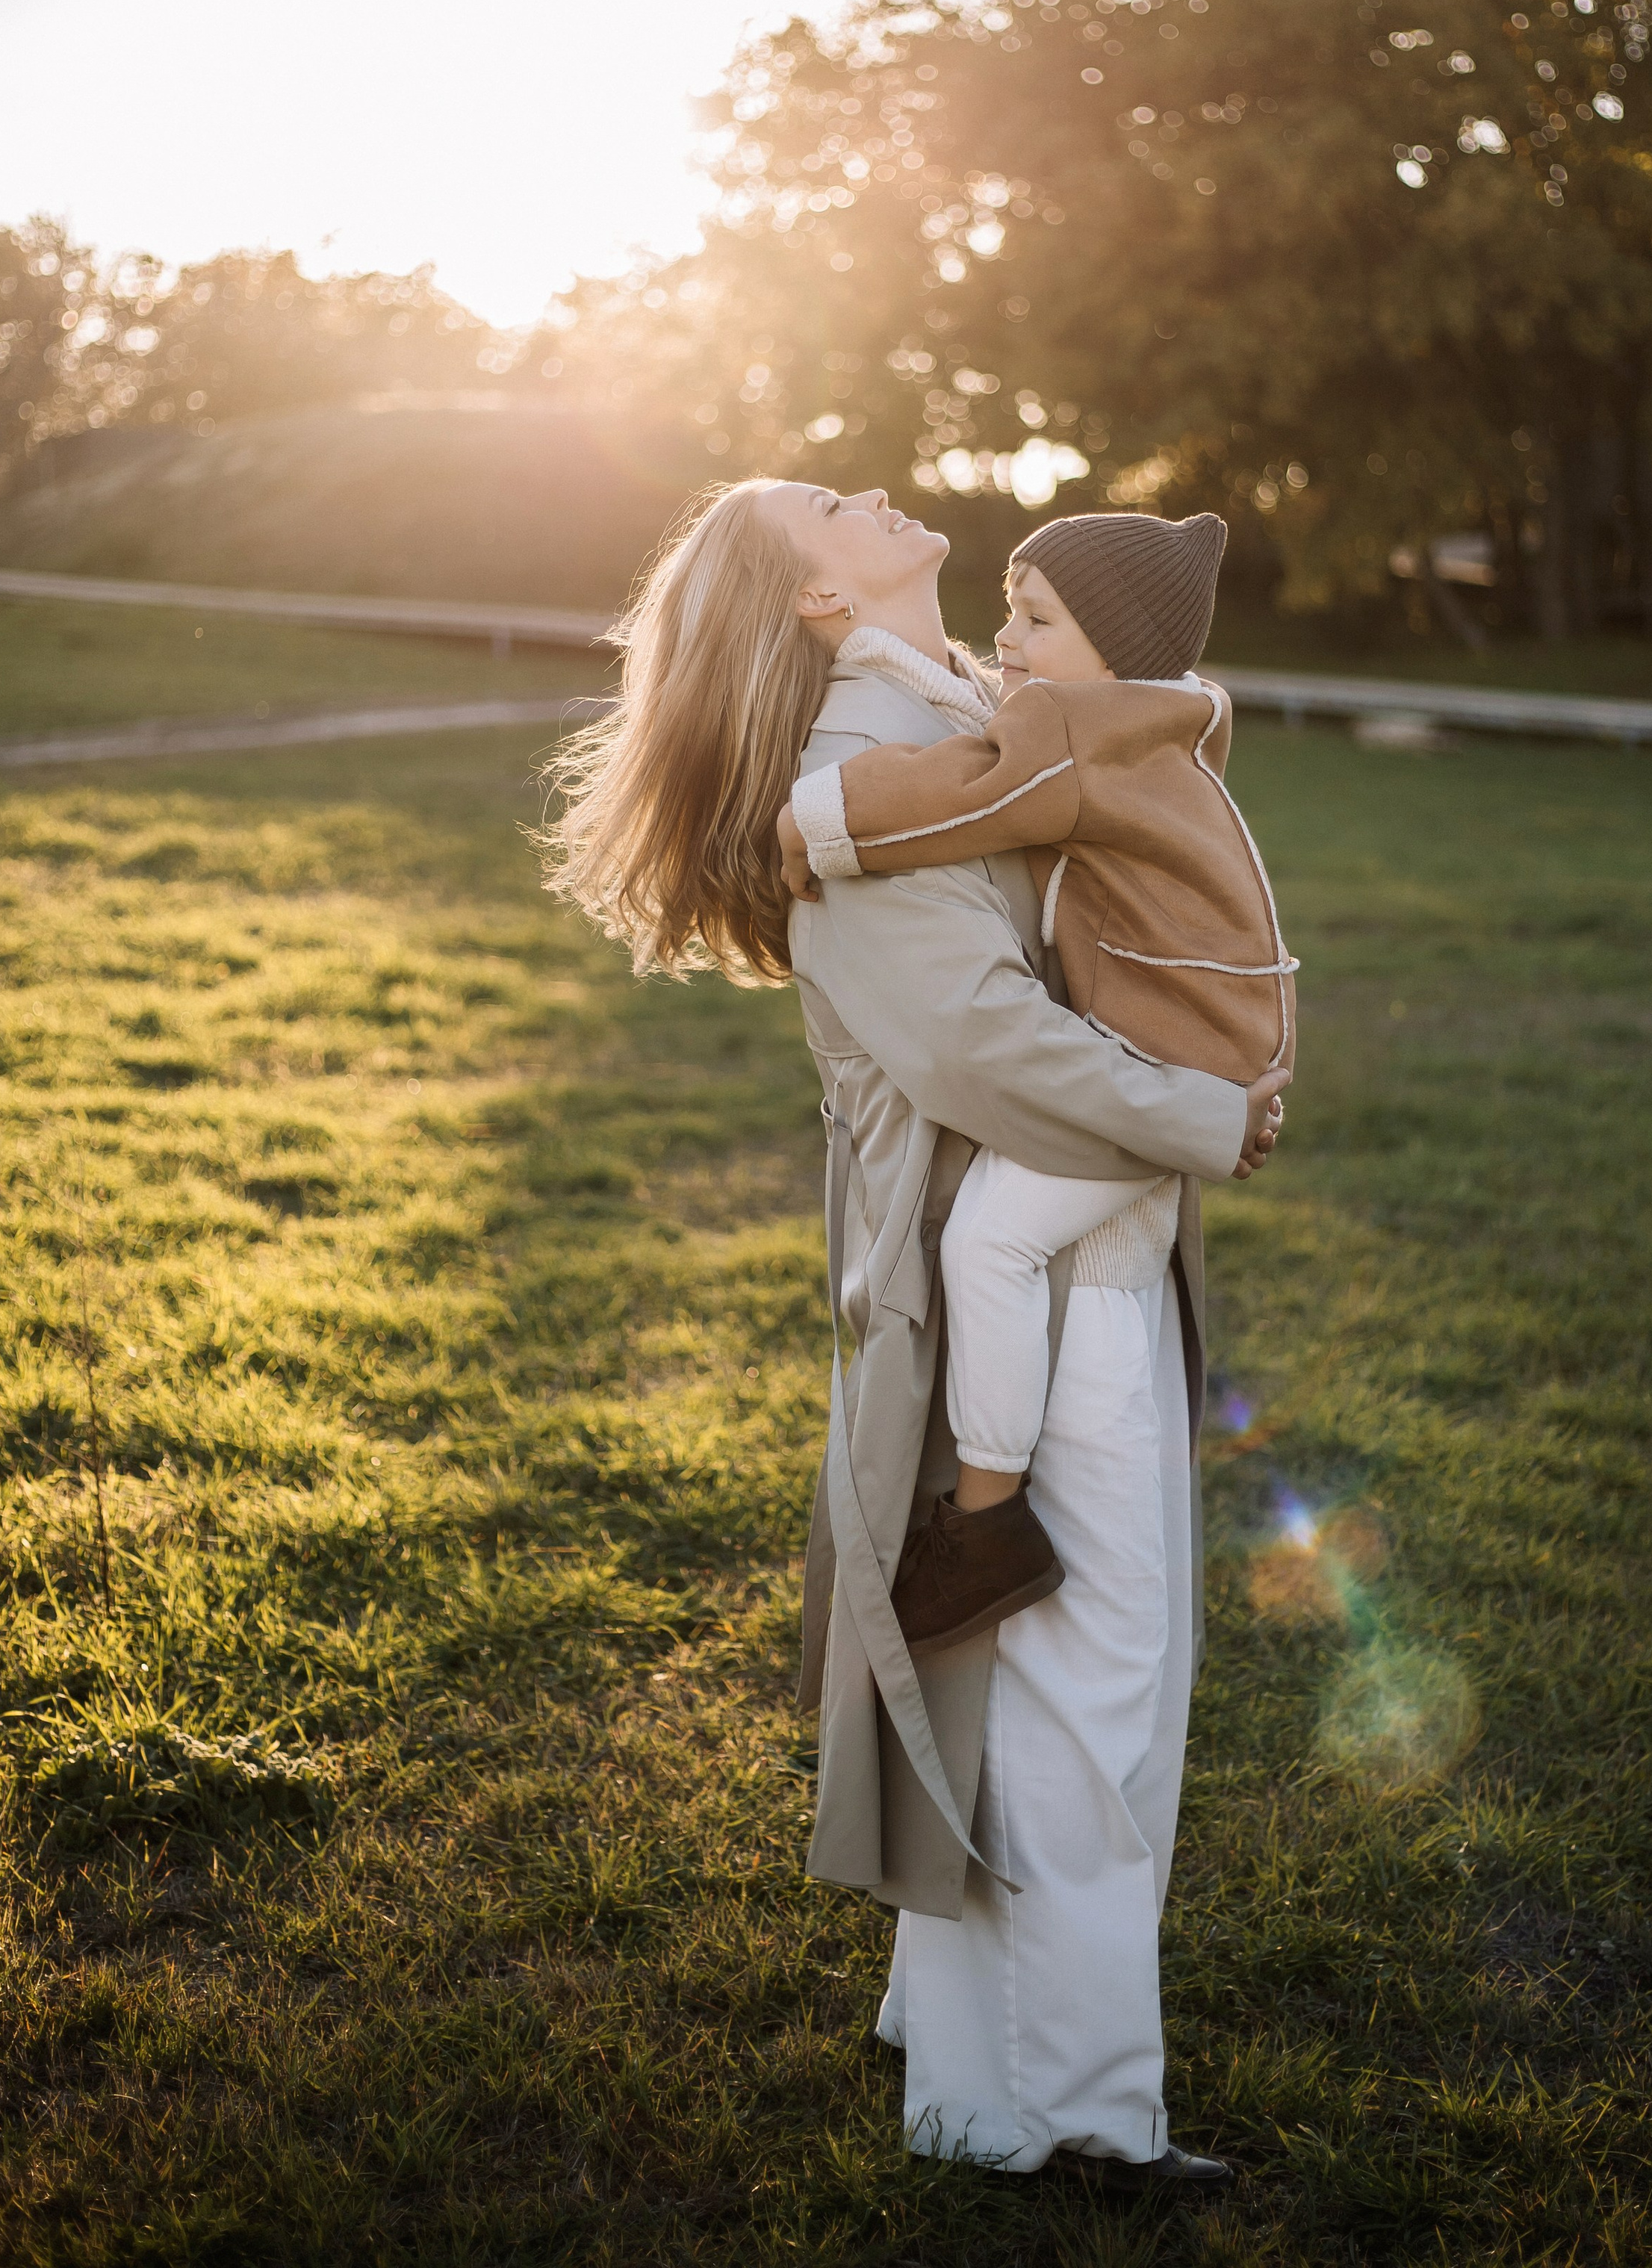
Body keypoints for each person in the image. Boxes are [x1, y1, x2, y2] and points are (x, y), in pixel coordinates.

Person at [542, 477, 1286, 2196]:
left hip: (1069, 1266)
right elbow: (976, 1053)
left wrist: (1222, 1042)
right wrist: (1202, 1110)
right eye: (828, 499)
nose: (872, 487)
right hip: (1012, 1301)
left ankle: (971, 2065)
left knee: (1052, 1691)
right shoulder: (854, 777)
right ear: (810, 599)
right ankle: (1067, 2114)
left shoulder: (951, 710)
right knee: (1075, 1711)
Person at [775, 507, 1297, 1662]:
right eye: (1009, 608)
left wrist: (814, 820)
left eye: (1037, 618)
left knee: (989, 1246)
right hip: (1214, 1025)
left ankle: (988, 1520)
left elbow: (963, 795)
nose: (1003, 638)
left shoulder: (1072, 729)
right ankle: (994, 1512)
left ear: (1115, 650)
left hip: (1181, 1050)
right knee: (1003, 1242)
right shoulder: (1159, 715)